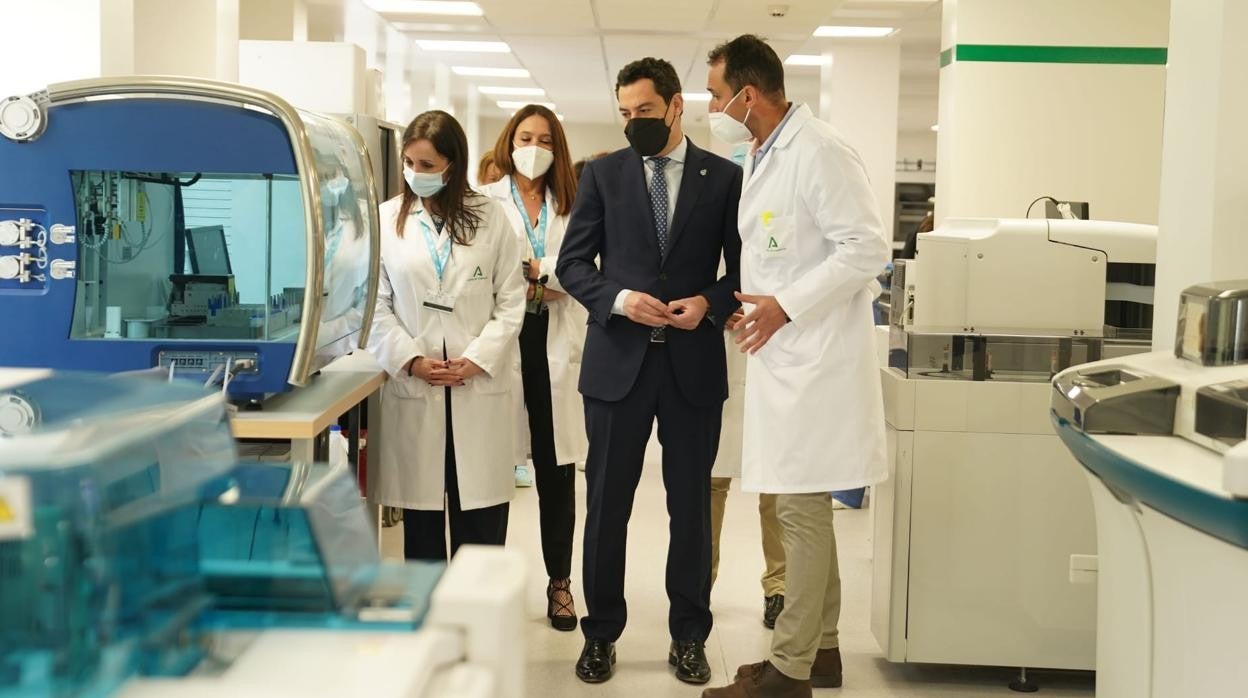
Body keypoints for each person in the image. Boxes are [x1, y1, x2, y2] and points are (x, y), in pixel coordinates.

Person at [700, 35, 890, 698]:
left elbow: (866, 249)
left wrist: (785, 304)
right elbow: (782, 250)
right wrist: (756, 303)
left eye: (719, 96)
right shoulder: (764, 151)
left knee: (800, 512)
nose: (713, 107)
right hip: (786, 357)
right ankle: (824, 651)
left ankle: (789, 669)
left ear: (749, 96)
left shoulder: (819, 150)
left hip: (818, 363)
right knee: (800, 507)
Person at [557, 57, 742, 686]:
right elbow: (573, 264)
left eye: (645, 111)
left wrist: (711, 305)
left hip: (692, 366)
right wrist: (618, 298)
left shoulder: (724, 178)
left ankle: (689, 634)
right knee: (608, 505)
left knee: (690, 508)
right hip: (618, 366)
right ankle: (601, 634)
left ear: (675, 106)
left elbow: (743, 271)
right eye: (625, 113)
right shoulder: (603, 175)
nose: (634, 122)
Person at [367, 110, 527, 562]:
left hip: (476, 384)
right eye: (410, 163)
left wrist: (478, 358)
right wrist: (411, 361)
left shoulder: (492, 219)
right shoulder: (387, 219)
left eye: (428, 166)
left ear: (453, 165)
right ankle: (429, 625)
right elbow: (374, 305)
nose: (416, 174)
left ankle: (476, 627)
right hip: (417, 385)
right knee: (421, 534)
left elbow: (511, 301)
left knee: (480, 530)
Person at [479, 104, 588, 632]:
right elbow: (483, 275)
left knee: (555, 470)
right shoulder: (486, 201)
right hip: (503, 340)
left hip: (553, 337)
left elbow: (587, 271)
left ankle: (560, 583)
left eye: (545, 138)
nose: (534, 147)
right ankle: (492, 585)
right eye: (525, 137)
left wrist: (541, 275)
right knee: (494, 464)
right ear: (509, 141)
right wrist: (528, 279)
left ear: (557, 148)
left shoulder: (573, 201)